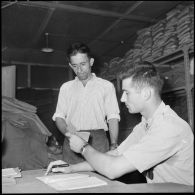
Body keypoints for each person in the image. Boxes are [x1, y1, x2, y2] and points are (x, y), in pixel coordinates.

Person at [46, 61, 194, 185]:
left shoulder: (168, 127)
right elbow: (116, 154)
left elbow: (113, 169)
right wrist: (71, 168)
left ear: (146, 93)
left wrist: (84, 148)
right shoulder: (146, 125)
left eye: (127, 93)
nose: (122, 99)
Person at [52, 42, 120, 164]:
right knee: (71, 178)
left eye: (83, 64)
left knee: (101, 179)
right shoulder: (66, 88)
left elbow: (113, 117)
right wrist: (69, 135)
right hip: (72, 140)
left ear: (91, 62)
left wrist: (114, 144)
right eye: (74, 66)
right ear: (70, 65)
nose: (79, 70)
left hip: (98, 141)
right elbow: (59, 116)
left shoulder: (106, 86)